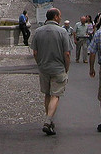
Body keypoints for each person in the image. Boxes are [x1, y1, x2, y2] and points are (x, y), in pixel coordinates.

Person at [30, 8, 71, 136]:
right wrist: (66, 67)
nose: (60, 17)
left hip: (44, 67)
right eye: (60, 15)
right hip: (58, 68)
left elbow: (35, 52)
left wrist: (40, 63)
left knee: (47, 94)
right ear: (56, 17)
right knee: (55, 94)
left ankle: (49, 119)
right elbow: (67, 53)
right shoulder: (62, 32)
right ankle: (48, 121)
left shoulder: (38, 31)